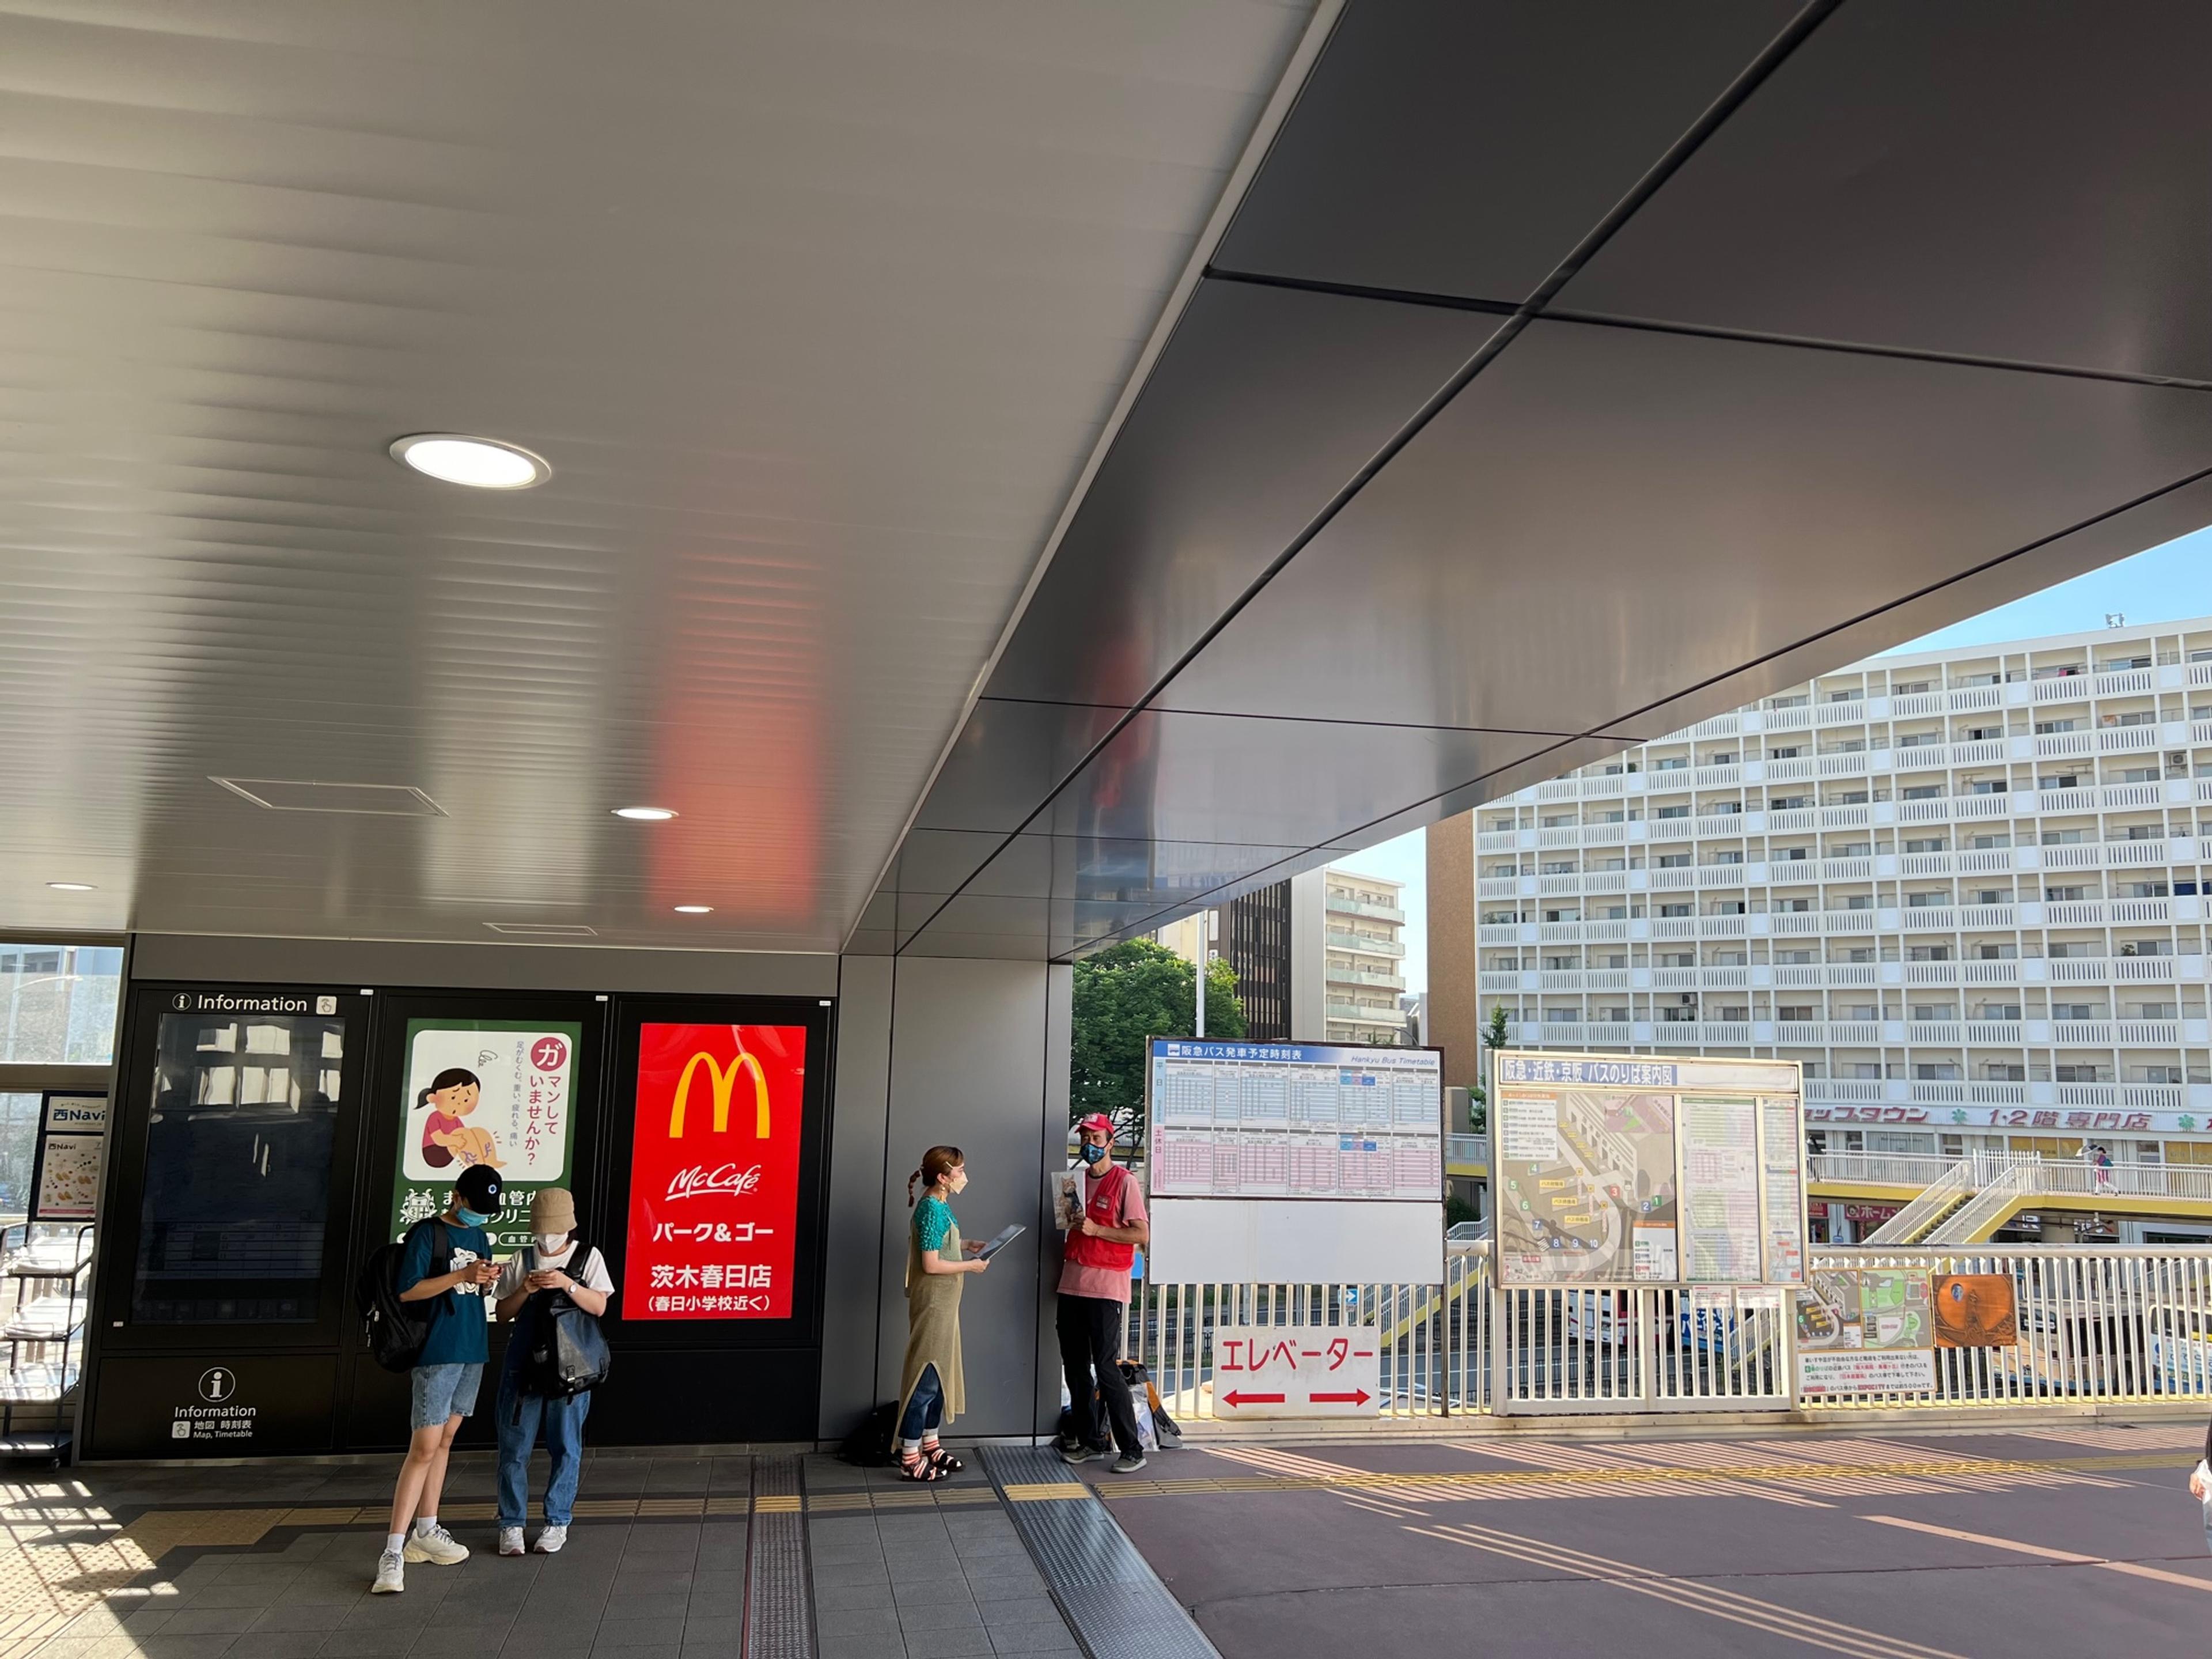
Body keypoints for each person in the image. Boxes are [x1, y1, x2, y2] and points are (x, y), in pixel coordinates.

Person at [373, 1164, 504, 1594]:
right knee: (424, 1447)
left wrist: (485, 1280)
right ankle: (392, 1551)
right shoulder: (427, 1233)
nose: (481, 1216)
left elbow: (472, 1292)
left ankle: (426, 1532)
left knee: (446, 1440)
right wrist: (463, 1275)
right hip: (437, 1351)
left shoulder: (480, 1235)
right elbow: (407, 1291)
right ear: (458, 1197)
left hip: (472, 1348)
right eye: (476, 1206)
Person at [492, 1188, 613, 1555]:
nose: (547, 1237)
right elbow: (502, 1313)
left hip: (571, 1367)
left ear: (568, 1228)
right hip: (523, 1365)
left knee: (566, 1445)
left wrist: (567, 1284)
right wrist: (525, 1289)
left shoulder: (588, 1257)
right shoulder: (521, 1259)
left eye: (553, 1230)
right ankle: (511, 1525)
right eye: (542, 1230)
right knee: (514, 1447)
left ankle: (557, 1521)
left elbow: (599, 1306)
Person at [1055, 1112, 1149, 1474]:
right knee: (1076, 1367)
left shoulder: (1125, 1182)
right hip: (1070, 1284)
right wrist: (1075, 1222)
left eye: (1097, 1139)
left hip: (1107, 1287)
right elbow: (1067, 1227)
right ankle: (1090, 1442)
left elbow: (1141, 1234)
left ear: (1110, 1142)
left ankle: (1131, 1449)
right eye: (1085, 1139)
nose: (1090, 1146)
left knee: (1107, 1367)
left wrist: (1098, 1230)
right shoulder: (1071, 1183)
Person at [899, 1145, 990, 1481]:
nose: (964, 1176)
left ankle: (931, 1443)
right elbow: (931, 1263)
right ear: (943, 1176)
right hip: (935, 1303)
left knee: (939, 1379)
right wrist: (972, 1266)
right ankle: (910, 1456)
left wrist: (967, 1245)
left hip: (946, 1304)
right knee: (925, 1378)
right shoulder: (931, 1209)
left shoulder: (940, 1205)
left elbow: (938, 1244)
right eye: (960, 1170)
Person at [418, 1067, 503, 1169]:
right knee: (465, 1134)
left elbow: (467, 1135)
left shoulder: (457, 1121)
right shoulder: (435, 1117)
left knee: (478, 1132)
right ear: (433, 1098)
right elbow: (438, 1139)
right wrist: (455, 1141)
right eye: (453, 1097)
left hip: (450, 1150)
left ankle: (489, 1161)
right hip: (434, 1152)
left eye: (467, 1100)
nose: (460, 1103)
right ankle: (478, 1165)